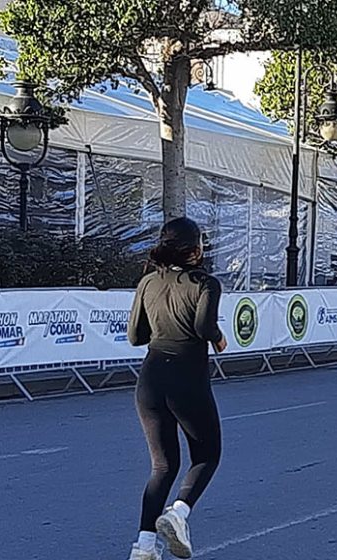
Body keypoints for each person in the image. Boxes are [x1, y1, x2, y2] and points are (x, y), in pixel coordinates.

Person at [127, 218, 227, 560]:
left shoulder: (147, 282)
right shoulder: (206, 284)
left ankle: (143, 547)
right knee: (207, 455)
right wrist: (218, 338)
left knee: (163, 466)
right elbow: (203, 325)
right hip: (187, 378)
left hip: (150, 381)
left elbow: (135, 337)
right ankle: (178, 513)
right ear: (196, 249)